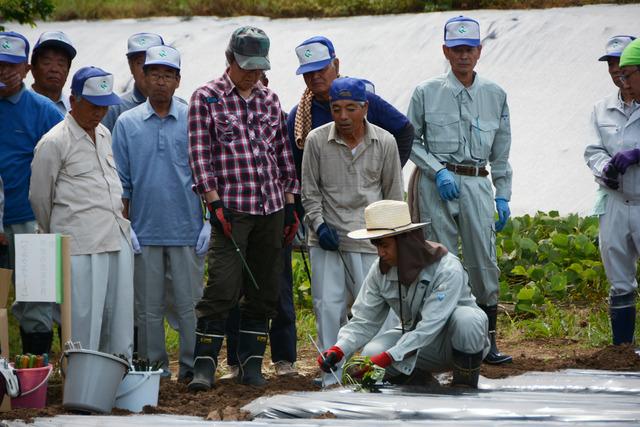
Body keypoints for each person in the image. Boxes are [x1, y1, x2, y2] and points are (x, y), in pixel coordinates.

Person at [187, 26, 299, 390]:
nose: (253, 74)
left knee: (265, 289)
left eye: (258, 68)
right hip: (231, 209)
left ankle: (252, 365)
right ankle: (204, 366)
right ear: (230, 59)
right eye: (247, 66)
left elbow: (282, 152)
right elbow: (200, 155)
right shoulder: (207, 98)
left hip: (271, 207)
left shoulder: (270, 99)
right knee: (222, 285)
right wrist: (212, 201)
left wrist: (291, 203)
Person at [407, 16, 513, 365]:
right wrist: (436, 171)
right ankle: (445, 342)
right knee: (443, 261)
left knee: (484, 261)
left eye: (469, 49)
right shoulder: (426, 91)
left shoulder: (495, 94)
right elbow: (411, 142)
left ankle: (487, 342)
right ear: (445, 51)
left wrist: (501, 194)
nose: (463, 56)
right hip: (439, 184)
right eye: (456, 49)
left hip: (477, 182)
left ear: (480, 51)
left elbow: (501, 150)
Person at [317, 200, 489, 388]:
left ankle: (465, 388)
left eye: (384, 245)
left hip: (455, 343)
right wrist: (338, 350)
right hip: (418, 344)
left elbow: (430, 326)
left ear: (405, 241)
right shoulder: (380, 270)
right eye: (376, 246)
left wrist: (389, 357)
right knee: (370, 354)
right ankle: (418, 381)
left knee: (467, 320)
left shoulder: (447, 268)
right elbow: (364, 320)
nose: (380, 253)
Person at [112, 45, 208, 381]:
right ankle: (155, 368)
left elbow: (205, 173)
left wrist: (207, 221)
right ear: (143, 76)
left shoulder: (193, 119)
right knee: (148, 309)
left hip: (187, 228)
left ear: (178, 80)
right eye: (154, 74)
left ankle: (193, 366)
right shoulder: (127, 123)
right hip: (145, 230)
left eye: (168, 75)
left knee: (189, 305)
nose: (160, 82)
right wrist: (127, 226)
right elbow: (122, 181)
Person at [302, 77, 403, 384]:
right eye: (336, 109)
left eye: (350, 109)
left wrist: (389, 241)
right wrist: (320, 225)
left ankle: (375, 369)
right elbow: (310, 192)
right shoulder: (317, 140)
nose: (343, 117)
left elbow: (393, 196)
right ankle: (331, 374)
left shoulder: (385, 142)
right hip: (327, 238)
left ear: (365, 108)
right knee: (328, 306)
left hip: (370, 240)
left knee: (377, 309)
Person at [29, 66, 134, 358]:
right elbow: (40, 198)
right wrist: (61, 232)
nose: (99, 113)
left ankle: (118, 379)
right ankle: (81, 383)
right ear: (73, 100)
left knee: (120, 319)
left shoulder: (103, 133)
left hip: (116, 236)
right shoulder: (54, 142)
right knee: (82, 321)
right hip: (80, 245)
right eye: (93, 105)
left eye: (104, 106)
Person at [0, 31, 64, 355]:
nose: (4, 73)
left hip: (29, 220)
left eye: (11, 66)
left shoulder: (45, 111)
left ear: (25, 69)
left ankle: (35, 368)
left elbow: (66, 163)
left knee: (35, 297)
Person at [591, 37, 640, 345]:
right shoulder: (601, 109)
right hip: (615, 201)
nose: (618, 72)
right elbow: (592, 150)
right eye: (612, 65)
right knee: (619, 279)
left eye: (624, 66)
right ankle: (621, 351)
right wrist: (604, 169)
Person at [102, 32, 164, 131]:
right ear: (131, 67)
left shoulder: (181, 108)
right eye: (139, 62)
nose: (145, 69)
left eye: (151, 61)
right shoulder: (114, 109)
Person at [30, 31, 76, 115]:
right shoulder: (18, 108)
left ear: (68, 71)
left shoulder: (74, 112)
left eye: (61, 64)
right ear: (33, 68)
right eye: (47, 62)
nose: (54, 69)